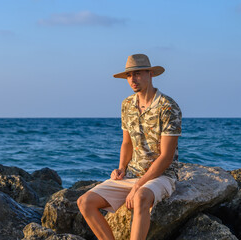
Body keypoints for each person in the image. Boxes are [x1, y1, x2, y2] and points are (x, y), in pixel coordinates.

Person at [77, 54, 182, 240]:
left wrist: (139, 185)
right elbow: (127, 142)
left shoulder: (168, 107)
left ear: (150, 74)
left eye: (138, 74)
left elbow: (166, 157)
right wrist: (121, 168)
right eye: (129, 75)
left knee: (140, 197)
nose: (132, 79)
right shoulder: (127, 105)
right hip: (132, 174)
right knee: (85, 202)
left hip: (162, 176)